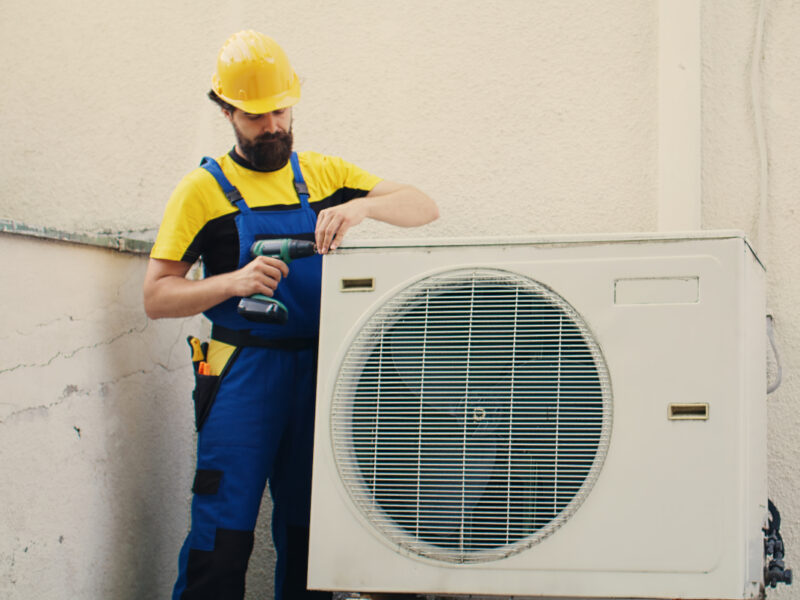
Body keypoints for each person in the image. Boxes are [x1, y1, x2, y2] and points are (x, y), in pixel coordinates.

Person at [143, 29, 438, 600]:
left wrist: (360, 208)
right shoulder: (200, 191)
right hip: (241, 375)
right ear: (228, 111)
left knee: (313, 541)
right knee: (221, 537)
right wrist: (230, 282)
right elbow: (156, 297)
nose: (273, 125)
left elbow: (424, 207)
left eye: (280, 109)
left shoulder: (323, 175)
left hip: (322, 376)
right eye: (256, 116)